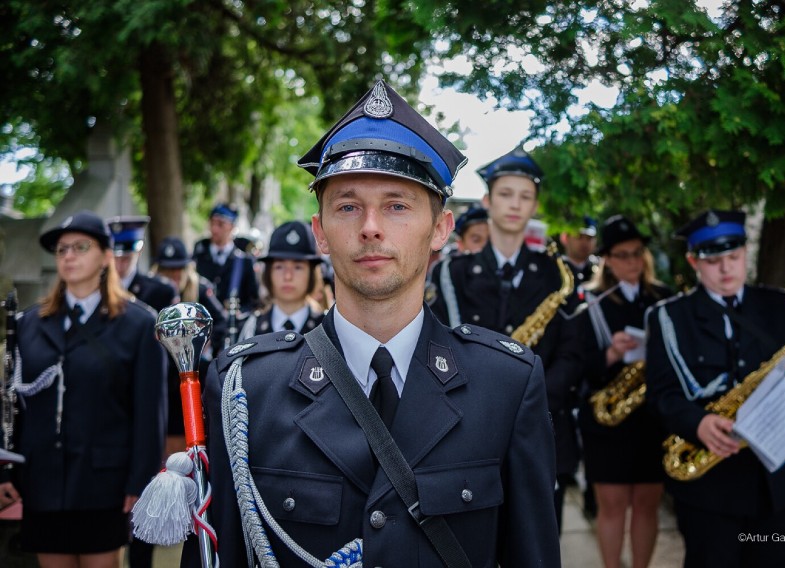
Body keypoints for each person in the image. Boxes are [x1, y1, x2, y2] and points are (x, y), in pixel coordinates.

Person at [184, 80, 561, 567]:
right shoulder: (247, 389)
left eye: (397, 205)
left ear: (441, 229)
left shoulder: (506, 384)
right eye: (347, 206)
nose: (370, 227)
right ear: (320, 232)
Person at [645, 210, 785, 568]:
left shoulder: (783, 306)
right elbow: (661, 395)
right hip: (712, 489)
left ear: (746, 253)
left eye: (734, 257)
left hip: (781, 486)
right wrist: (696, 423)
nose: (726, 269)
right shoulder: (669, 316)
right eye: (714, 261)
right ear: (693, 261)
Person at [427, 146, 582, 533]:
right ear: (487, 200)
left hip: (543, 427)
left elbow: (572, 354)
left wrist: (531, 396)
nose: (515, 204)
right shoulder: (454, 273)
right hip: (468, 431)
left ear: (535, 206)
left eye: (525, 196)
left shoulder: (555, 274)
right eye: (506, 194)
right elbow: (436, 345)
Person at [0, 210, 167, 568]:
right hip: (44, 480)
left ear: (107, 256)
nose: (69, 256)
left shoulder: (138, 324)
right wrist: (7, 471)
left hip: (104, 483)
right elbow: (12, 407)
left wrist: (141, 482)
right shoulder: (28, 324)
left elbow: (149, 411)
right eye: (61, 250)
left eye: (80, 247)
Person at [573, 214, 672, 568]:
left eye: (637, 253)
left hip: (652, 418)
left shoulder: (664, 299)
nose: (632, 261)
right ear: (609, 261)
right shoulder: (592, 305)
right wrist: (612, 352)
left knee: (647, 503)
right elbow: (579, 365)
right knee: (612, 506)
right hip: (607, 422)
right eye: (623, 255)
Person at [152, 236, 227, 456]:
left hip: (194, 370)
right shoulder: (153, 292)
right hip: (162, 375)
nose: (174, 275)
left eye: (179, 269)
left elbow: (220, 323)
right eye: (167, 270)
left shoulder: (201, 290)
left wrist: (205, 344)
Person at [238, 221, 325, 339]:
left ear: (312, 273)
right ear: (268, 273)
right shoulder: (250, 329)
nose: (288, 276)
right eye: (279, 267)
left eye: (298, 267)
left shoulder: (326, 329)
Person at [192, 203, 260, 312]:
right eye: (212, 223)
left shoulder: (244, 261)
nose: (214, 229)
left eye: (220, 224)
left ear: (232, 226)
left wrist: (240, 313)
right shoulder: (199, 255)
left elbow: (253, 301)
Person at [106, 215, 179, 312]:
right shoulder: (97, 289)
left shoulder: (161, 292)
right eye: (114, 258)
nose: (119, 265)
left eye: (126, 258)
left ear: (139, 251)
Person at [561, 215, 599, 287]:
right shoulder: (553, 267)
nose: (584, 242)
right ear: (565, 238)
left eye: (589, 238)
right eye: (579, 236)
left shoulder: (601, 269)